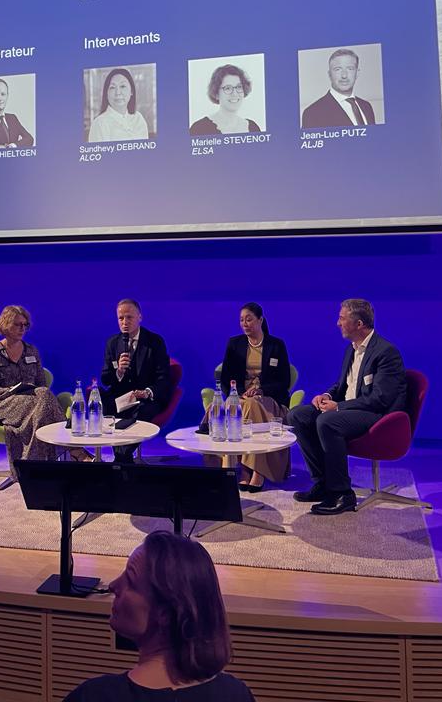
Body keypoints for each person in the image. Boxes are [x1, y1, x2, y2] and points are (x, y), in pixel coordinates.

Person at [63, 531, 256, 701]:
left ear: (164, 614)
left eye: (130, 580)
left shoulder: (93, 696)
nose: (113, 585)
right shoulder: (236, 694)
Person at [289, 298, 406, 515]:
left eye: (342, 318)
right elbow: (343, 385)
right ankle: (323, 483)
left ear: (359, 324)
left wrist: (338, 407)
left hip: (376, 415)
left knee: (327, 421)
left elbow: (380, 399)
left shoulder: (386, 352)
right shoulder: (351, 349)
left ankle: (342, 493)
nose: (338, 323)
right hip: (349, 408)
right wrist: (326, 396)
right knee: (297, 415)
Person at [0, 305, 89, 478]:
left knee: (43, 399)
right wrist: (11, 390)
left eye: (25, 325)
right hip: (4, 403)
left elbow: (41, 384)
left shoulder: (32, 351)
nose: (22, 329)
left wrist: (31, 392)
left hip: (31, 401)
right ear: (5, 325)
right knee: (43, 400)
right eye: (18, 324)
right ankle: (75, 451)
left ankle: (33, 468)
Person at [215, 302, 291, 491]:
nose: (244, 324)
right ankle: (249, 468)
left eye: (249, 319)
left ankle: (253, 470)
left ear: (260, 320)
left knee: (253, 404)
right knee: (241, 405)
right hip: (240, 396)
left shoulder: (276, 345)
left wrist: (261, 390)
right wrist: (238, 392)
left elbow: (284, 381)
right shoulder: (235, 344)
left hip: (269, 399)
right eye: (241, 320)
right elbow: (225, 377)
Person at [100, 299, 171, 462]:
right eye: (121, 318)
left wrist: (147, 392)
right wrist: (119, 371)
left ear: (140, 317)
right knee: (104, 404)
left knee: (141, 411)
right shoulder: (112, 343)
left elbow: (164, 377)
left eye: (129, 317)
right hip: (121, 397)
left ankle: (121, 457)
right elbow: (105, 378)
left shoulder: (155, 342)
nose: (124, 322)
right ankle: (122, 457)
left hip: (145, 399)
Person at [300, 48, 376, 128]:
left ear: (357, 73)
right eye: (338, 69)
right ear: (330, 74)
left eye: (350, 69)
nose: (344, 75)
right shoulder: (313, 113)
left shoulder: (367, 107)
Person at [189, 63, 261, 135]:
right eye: (228, 88)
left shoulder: (253, 128)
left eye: (239, 87)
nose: (235, 93)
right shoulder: (199, 128)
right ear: (216, 94)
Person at [88, 68, 149, 142]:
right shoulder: (99, 124)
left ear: (131, 91)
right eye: (112, 87)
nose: (118, 93)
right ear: (106, 94)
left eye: (122, 86)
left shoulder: (139, 119)